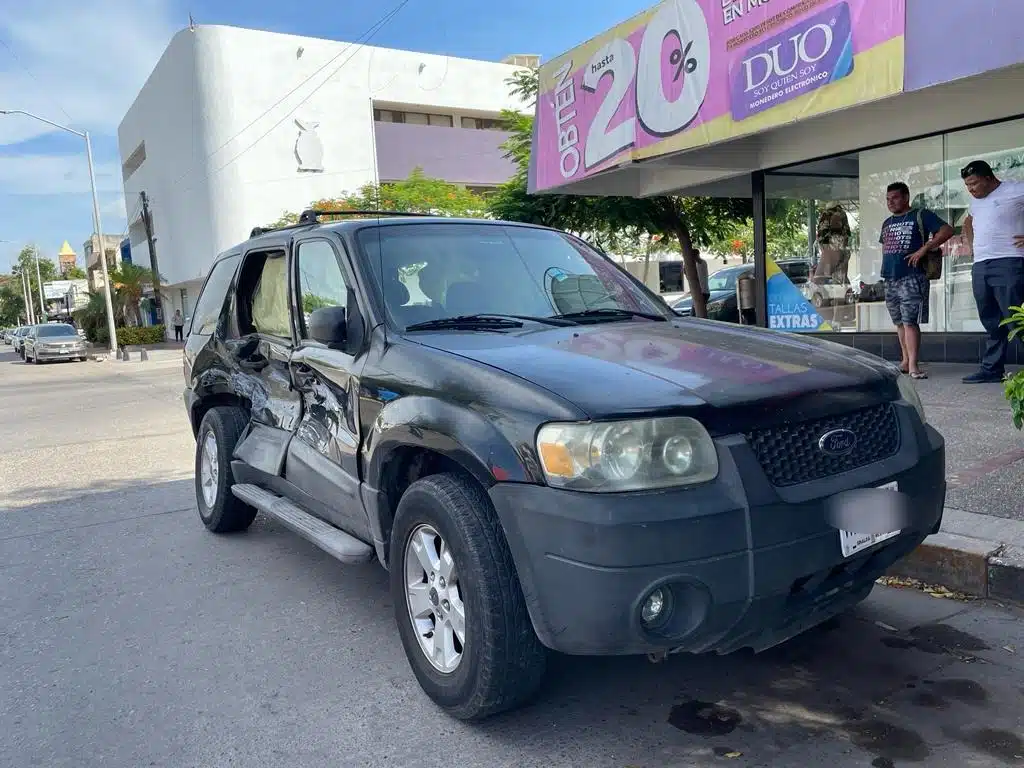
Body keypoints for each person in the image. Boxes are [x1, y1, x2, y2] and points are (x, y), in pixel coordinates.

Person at [879, 182, 953, 379]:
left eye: (894, 198)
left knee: (910, 321)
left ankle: (913, 365)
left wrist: (925, 248)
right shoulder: (887, 223)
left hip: (912, 276)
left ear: (905, 197)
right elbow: (886, 249)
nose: (890, 202)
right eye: (888, 199)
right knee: (899, 323)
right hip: (890, 278)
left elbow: (947, 230)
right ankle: (904, 361)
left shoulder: (920, 215)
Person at [959, 160, 1024, 383]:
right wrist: (973, 248)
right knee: (990, 319)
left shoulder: (1016, 190)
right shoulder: (974, 202)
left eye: (974, 184)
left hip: (1010, 262)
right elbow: (968, 222)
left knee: (1016, 318)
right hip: (981, 265)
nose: (971, 189)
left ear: (989, 178)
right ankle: (992, 369)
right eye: (967, 185)